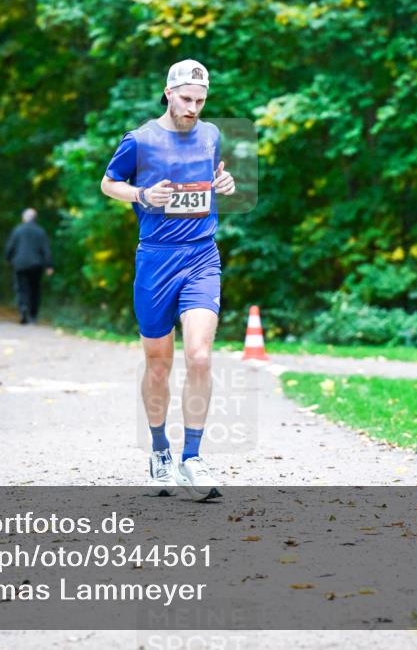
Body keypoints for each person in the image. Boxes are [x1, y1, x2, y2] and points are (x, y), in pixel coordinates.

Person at [100, 59, 236, 501]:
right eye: (186, 99)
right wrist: (140, 194)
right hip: (156, 260)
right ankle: (159, 449)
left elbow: (212, 177)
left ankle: (191, 457)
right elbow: (108, 183)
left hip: (202, 255)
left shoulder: (212, 134)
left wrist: (224, 182)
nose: (193, 108)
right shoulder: (138, 141)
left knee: (199, 356)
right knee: (159, 365)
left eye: (200, 100)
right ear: (168, 92)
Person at [4, 208, 54, 324]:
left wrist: (8, 259)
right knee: (35, 289)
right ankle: (33, 315)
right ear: (35, 218)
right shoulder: (40, 231)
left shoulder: (17, 230)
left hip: (20, 264)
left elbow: (10, 247)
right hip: (36, 265)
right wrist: (49, 265)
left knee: (21, 289)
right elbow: (46, 250)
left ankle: (23, 309)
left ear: (24, 218)